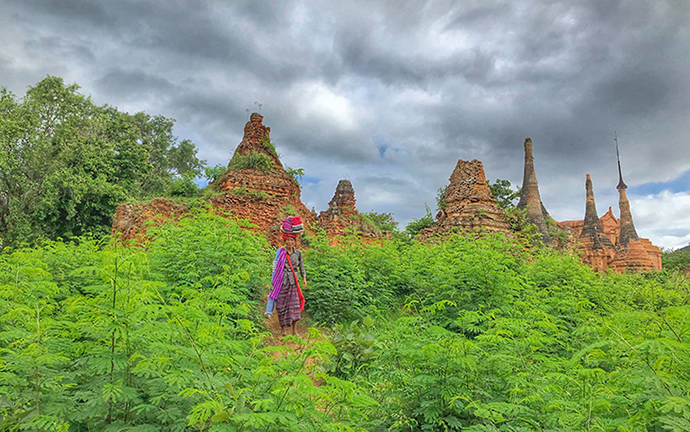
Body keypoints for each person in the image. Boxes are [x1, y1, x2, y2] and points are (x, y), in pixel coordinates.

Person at [265, 216, 306, 335]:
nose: (290, 242)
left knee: (294, 306)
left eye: (292, 240)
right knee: (281, 306)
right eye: (288, 240)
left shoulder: (298, 253)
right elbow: (276, 268)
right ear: (285, 241)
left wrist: (304, 278)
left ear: (295, 242)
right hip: (282, 282)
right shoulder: (281, 253)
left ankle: (294, 330)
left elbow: (301, 266)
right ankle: (282, 330)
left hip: (293, 282)